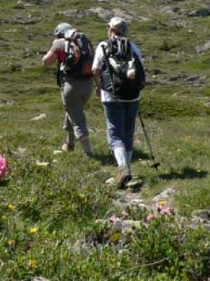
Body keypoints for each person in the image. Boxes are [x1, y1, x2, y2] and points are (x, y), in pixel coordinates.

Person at [92, 16, 144, 188]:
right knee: (128, 131)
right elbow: (140, 71)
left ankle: (123, 169)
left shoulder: (103, 46)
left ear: (112, 30)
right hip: (133, 96)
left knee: (115, 134)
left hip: (112, 96)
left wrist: (99, 87)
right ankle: (127, 168)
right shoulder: (133, 47)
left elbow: (95, 69)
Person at [42, 22, 94, 155]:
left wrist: (54, 46)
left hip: (71, 85)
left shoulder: (59, 43)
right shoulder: (84, 41)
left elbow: (46, 61)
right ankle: (69, 145)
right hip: (88, 84)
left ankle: (89, 153)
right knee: (72, 111)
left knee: (77, 118)